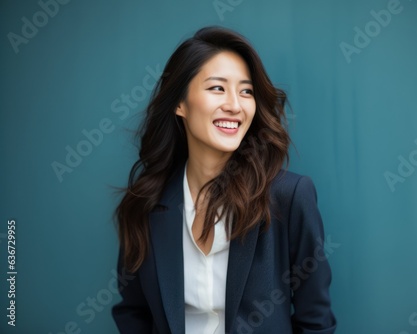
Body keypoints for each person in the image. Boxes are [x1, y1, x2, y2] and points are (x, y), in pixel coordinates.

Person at [112, 26, 336, 334]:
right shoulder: (146, 205)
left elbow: (316, 322)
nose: (235, 104)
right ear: (180, 103)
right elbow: (133, 312)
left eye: (246, 91)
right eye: (217, 88)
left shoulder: (290, 196)